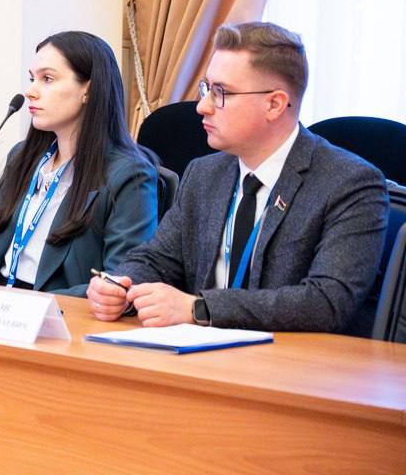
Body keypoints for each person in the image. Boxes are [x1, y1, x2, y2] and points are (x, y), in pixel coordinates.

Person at [87, 22, 388, 332]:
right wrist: (120, 286)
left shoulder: (349, 183)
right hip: (198, 350)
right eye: (206, 89)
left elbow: (325, 302)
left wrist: (199, 309)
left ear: (274, 104)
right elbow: (157, 259)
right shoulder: (204, 174)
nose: (202, 106)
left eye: (221, 92)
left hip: (291, 356)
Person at [0, 31, 158, 295]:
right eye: (32, 79)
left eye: (47, 79)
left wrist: (33, 307)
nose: (30, 92)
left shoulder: (129, 175)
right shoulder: (21, 158)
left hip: (61, 311)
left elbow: (120, 281)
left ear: (88, 90)